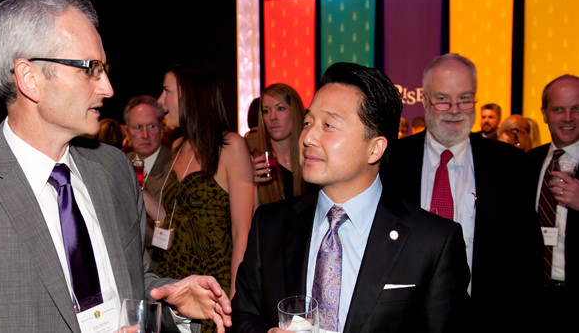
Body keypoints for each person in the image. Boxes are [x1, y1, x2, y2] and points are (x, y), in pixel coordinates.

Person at [0, 0, 231, 333]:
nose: (107, 87)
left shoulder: (113, 170)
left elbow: (134, 278)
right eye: (89, 68)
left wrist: (170, 298)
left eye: (104, 69)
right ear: (30, 78)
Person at [232, 62, 470, 333]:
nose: (308, 137)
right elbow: (243, 316)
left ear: (375, 149)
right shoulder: (270, 225)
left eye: (328, 125)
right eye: (308, 122)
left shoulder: (431, 242)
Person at [380, 53, 544, 331]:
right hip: (405, 320)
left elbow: (527, 253)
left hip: (488, 318)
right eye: (443, 98)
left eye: (465, 98)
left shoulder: (509, 164)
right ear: (425, 101)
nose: (455, 109)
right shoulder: (391, 160)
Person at [155, 62, 254, 330]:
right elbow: (170, 217)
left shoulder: (230, 146)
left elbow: (241, 231)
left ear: (191, 96)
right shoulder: (177, 147)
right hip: (173, 281)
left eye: (167, 92)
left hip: (213, 288)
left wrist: (234, 299)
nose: (160, 100)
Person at [526, 74, 579, 333]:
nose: (568, 118)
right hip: (534, 301)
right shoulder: (526, 163)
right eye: (558, 109)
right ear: (544, 114)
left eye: (576, 109)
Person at [123, 95, 172, 255]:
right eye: (137, 127)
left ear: (162, 128)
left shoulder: (176, 166)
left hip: (162, 267)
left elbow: (174, 232)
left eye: (151, 126)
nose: (145, 135)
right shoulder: (118, 164)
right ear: (127, 132)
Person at [247, 83, 308, 207]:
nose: (272, 117)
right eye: (266, 111)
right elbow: (252, 222)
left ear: (295, 111)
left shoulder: (311, 158)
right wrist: (249, 184)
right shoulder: (257, 163)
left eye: (280, 108)